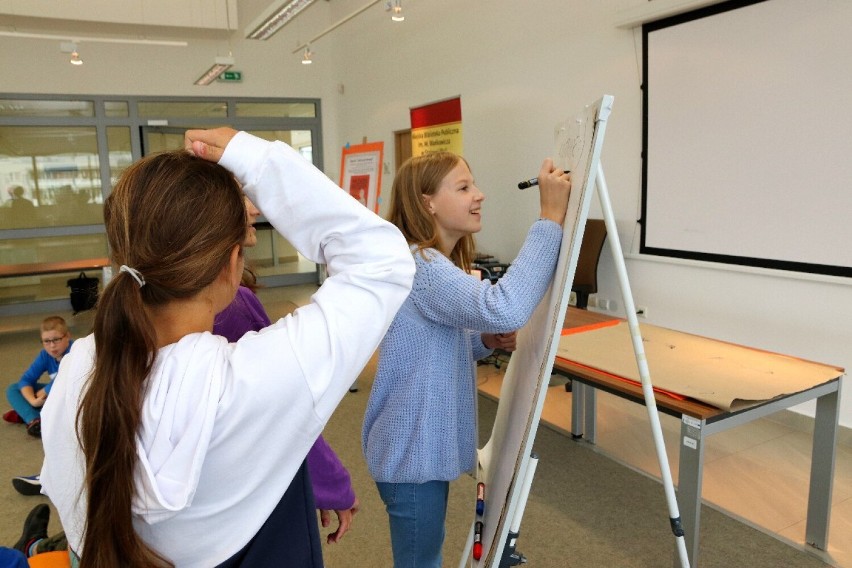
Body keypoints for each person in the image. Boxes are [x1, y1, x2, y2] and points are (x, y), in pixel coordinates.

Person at [40, 128, 415, 567]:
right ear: (231, 264)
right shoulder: (252, 383)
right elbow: (381, 260)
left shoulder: (78, 370)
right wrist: (255, 159)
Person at [362, 151, 571, 567]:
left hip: (413, 450)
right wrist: (548, 219)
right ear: (428, 203)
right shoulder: (424, 265)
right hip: (410, 455)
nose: (480, 195)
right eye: (463, 188)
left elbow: (430, 344)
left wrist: (485, 340)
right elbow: (506, 307)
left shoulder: (425, 261)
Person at [213, 196, 360, 545]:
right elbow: (282, 407)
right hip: (254, 498)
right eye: (239, 195)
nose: (255, 208)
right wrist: (332, 484)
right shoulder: (232, 307)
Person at [3, 316, 73, 438]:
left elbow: (66, 378)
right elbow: (26, 379)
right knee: (13, 389)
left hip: (73, 395)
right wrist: (33, 400)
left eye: (56, 340)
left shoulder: (75, 351)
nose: (52, 346)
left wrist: (44, 391)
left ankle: (24, 412)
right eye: (46, 341)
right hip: (54, 394)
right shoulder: (45, 355)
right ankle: (34, 420)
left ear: (67, 336)